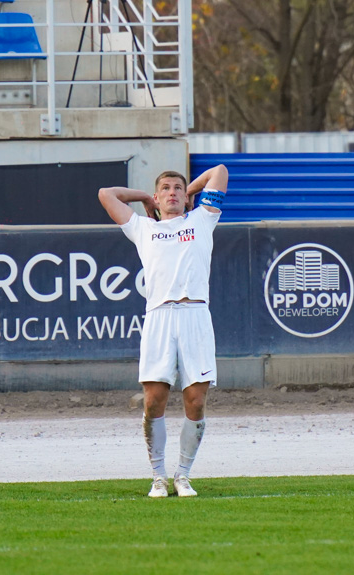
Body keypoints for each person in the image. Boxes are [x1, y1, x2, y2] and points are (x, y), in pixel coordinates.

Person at [98, 164, 228, 498]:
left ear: (186, 199)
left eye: (178, 189)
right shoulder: (142, 228)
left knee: (195, 402)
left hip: (195, 315)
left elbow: (221, 170)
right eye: (165, 189)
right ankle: (158, 477)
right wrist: (144, 197)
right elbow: (106, 195)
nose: (172, 193)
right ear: (157, 198)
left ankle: (182, 475)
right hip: (159, 317)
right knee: (154, 401)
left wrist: (191, 191)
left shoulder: (201, 219)